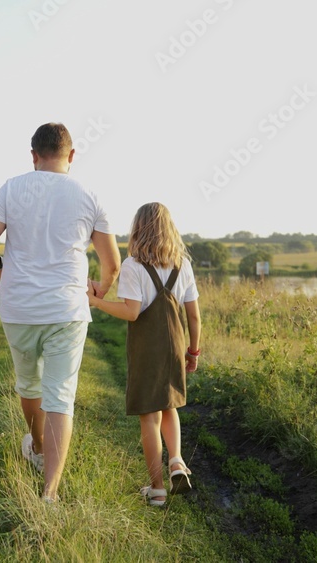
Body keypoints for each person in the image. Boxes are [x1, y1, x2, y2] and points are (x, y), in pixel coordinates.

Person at [0, 122, 121, 502]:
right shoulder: (88, 193)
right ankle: (50, 492)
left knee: (29, 385)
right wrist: (99, 290)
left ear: (34, 156)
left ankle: (37, 447)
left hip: (19, 307)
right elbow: (112, 263)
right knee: (60, 397)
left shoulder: (12, 187)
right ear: (71, 156)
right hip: (67, 308)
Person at [86, 202, 201, 507]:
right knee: (171, 406)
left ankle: (158, 488)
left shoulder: (134, 267)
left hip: (145, 351)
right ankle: (177, 461)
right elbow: (194, 318)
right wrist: (194, 351)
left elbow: (131, 312)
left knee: (149, 416)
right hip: (175, 347)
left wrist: (96, 303)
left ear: (137, 229)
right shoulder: (183, 266)